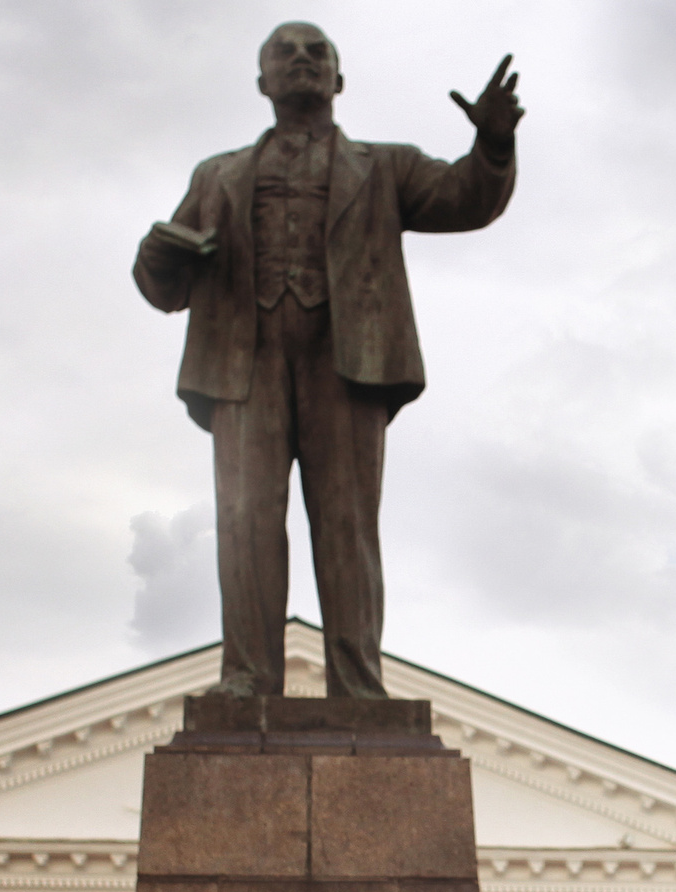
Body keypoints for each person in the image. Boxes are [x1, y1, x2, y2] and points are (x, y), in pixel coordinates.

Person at [132, 23, 522, 698]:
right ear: (263, 84)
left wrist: (491, 144)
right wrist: (157, 253)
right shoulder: (216, 175)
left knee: (347, 523)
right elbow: (164, 284)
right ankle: (249, 677)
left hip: (346, 361)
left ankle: (358, 686)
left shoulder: (385, 166)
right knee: (245, 520)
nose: (303, 61)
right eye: (286, 53)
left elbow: (466, 198)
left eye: (318, 53)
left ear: (339, 81)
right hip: (242, 362)